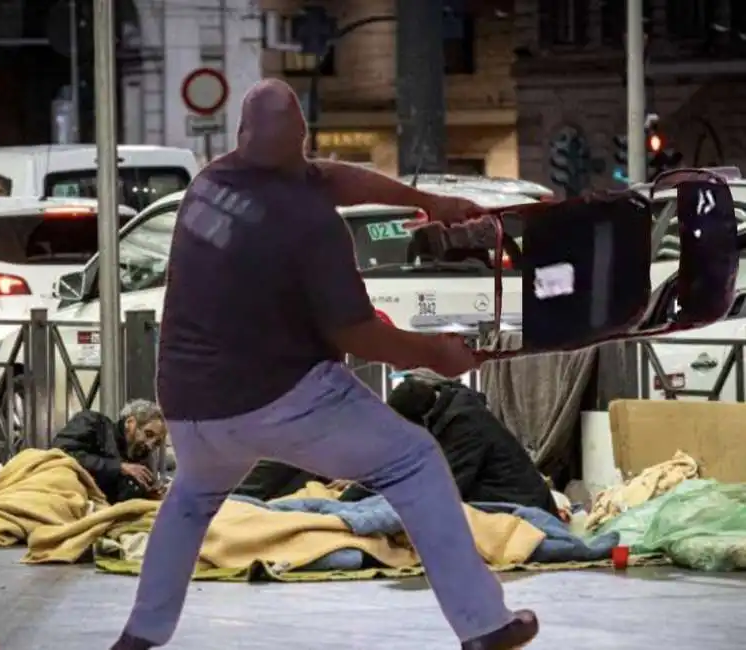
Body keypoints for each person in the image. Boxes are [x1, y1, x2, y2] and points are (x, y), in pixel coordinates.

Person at [111, 79, 537, 649]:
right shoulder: (311, 225)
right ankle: (484, 626)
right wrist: (439, 354)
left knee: (191, 499)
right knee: (414, 461)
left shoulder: (212, 182)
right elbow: (356, 334)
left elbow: (330, 177)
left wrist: (428, 203)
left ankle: (140, 635)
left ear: (241, 135)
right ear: (301, 140)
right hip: (280, 396)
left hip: (190, 405)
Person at [387, 378, 559, 514]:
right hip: (512, 500)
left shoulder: (464, 427)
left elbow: (443, 489)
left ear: (423, 419)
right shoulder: (448, 412)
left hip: (525, 509)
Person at [52, 400, 169, 504]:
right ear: (130, 423)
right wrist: (119, 467)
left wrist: (147, 495)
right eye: (148, 434)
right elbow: (61, 452)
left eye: (157, 443)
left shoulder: (140, 459)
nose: (150, 445)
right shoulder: (93, 423)